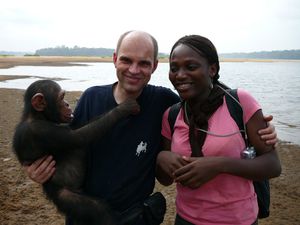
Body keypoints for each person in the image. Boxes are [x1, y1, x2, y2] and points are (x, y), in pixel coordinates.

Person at [24, 31, 278, 224]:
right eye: (126, 60)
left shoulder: (164, 102)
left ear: (154, 66)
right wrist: (35, 167)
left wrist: (257, 125)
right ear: (115, 60)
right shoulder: (91, 97)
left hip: (137, 216)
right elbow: (64, 145)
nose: (134, 70)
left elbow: (206, 97)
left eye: (144, 63)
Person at [156, 35, 281, 225]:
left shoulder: (239, 102)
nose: (180, 75)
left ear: (212, 69)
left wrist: (219, 165)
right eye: (174, 68)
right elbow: (165, 179)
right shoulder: (171, 116)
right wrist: (161, 157)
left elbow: (273, 165)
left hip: (239, 219)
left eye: (191, 67)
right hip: (186, 218)